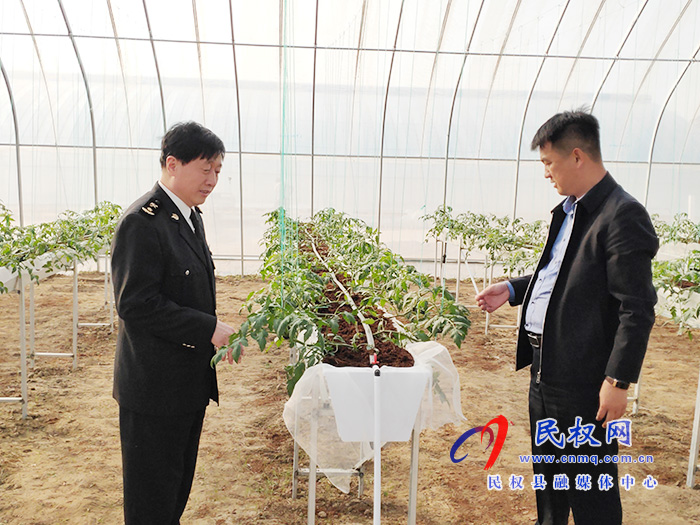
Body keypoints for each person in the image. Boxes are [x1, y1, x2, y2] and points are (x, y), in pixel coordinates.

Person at [475, 110, 658, 525]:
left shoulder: (621, 214)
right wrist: (513, 289)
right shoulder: (571, 210)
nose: (546, 173)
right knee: (551, 485)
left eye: (548, 163)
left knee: (590, 492)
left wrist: (618, 381)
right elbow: (563, 275)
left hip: (584, 382)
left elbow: (637, 307)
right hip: (545, 373)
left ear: (577, 156)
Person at [111, 121, 236, 524]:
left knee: (174, 491)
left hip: (185, 384)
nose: (212, 180)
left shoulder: (189, 217)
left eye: (218, 170)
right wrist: (207, 329)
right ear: (172, 164)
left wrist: (209, 332)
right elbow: (136, 303)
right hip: (154, 389)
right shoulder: (142, 222)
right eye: (205, 169)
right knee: (151, 502)